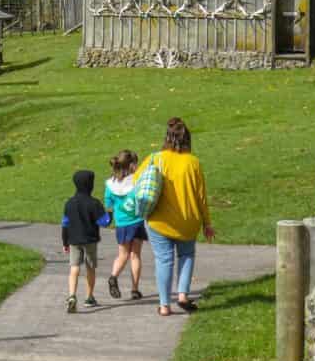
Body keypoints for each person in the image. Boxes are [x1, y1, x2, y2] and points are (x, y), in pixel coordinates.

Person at [137, 118, 215, 317]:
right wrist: (207, 223)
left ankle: (164, 305)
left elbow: (138, 183)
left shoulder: (156, 159)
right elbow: (201, 196)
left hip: (159, 221)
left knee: (164, 260)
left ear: (167, 137)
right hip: (188, 221)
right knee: (186, 255)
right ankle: (182, 294)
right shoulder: (193, 163)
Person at [61, 169, 111, 313]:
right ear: (91, 185)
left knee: (74, 267)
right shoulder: (94, 203)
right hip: (90, 240)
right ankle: (89, 297)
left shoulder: (69, 203)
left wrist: (65, 242)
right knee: (90, 268)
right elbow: (104, 222)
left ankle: (72, 296)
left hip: (74, 240)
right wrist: (110, 213)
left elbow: (65, 224)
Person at [103, 149, 146, 300]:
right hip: (137, 222)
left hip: (121, 224)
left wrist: (112, 212)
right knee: (135, 256)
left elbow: (108, 203)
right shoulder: (136, 181)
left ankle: (113, 276)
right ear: (132, 165)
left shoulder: (111, 183)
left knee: (122, 255)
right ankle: (135, 289)